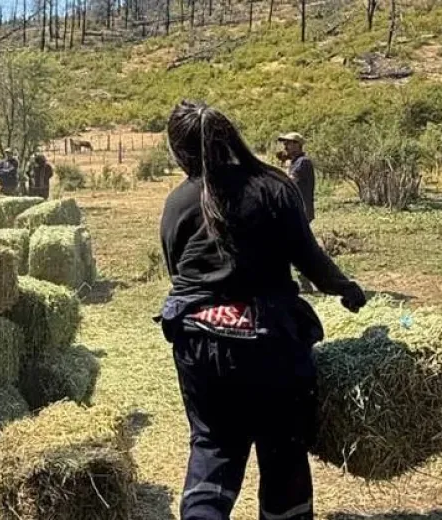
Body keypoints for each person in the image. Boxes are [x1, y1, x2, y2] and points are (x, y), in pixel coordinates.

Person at [157, 101, 367, 520]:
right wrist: (346, 289)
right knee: (283, 451)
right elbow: (310, 258)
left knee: (213, 449)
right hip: (273, 343)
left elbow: (175, 270)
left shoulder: (178, 202)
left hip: (201, 343)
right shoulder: (272, 186)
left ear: (181, 153)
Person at [278, 132, 317, 293]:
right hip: (295, 210)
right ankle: (305, 282)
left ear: (298, 145)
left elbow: (288, 182)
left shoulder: (303, 162)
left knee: (294, 246)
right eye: (285, 143)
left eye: (289, 143)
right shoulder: (295, 162)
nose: (285, 146)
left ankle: (304, 282)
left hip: (300, 211)